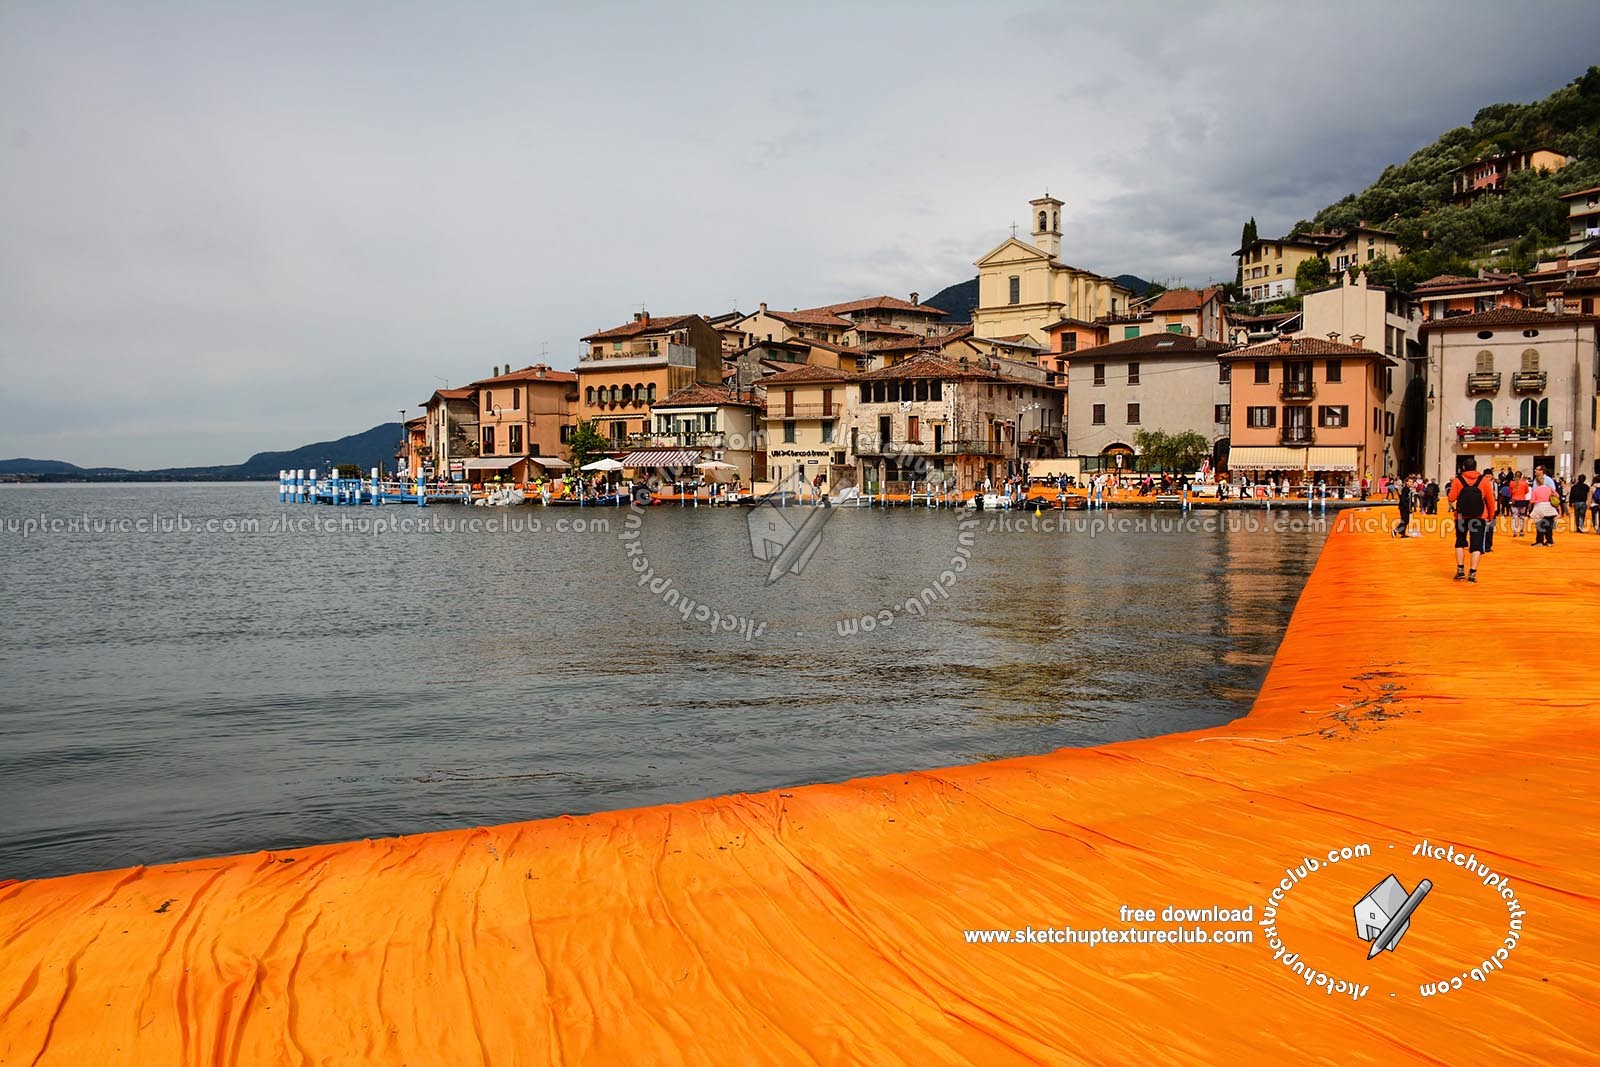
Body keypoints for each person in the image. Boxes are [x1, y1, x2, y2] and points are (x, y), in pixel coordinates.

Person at [1447, 457, 1496, 582]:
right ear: (1475, 467)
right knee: (1476, 546)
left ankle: (1460, 570)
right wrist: (1491, 516)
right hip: (1479, 516)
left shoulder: (1458, 480)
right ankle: (1472, 573)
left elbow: (1451, 498)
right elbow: (1490, 500)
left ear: (1463, 467)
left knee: (1460, 542)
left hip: (1461, 517)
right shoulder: (1484, 481)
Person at [1530, 472, 1559, 546]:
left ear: (1536, 482)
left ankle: (1540, 541)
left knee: (1540, 525)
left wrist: (1529, 507)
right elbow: (1557, 495)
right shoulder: (1549, 488)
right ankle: (1549, 541)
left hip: (1539, 507)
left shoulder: (1535, 490)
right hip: (1549, 508)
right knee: (1549, 525)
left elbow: (1532, 501)